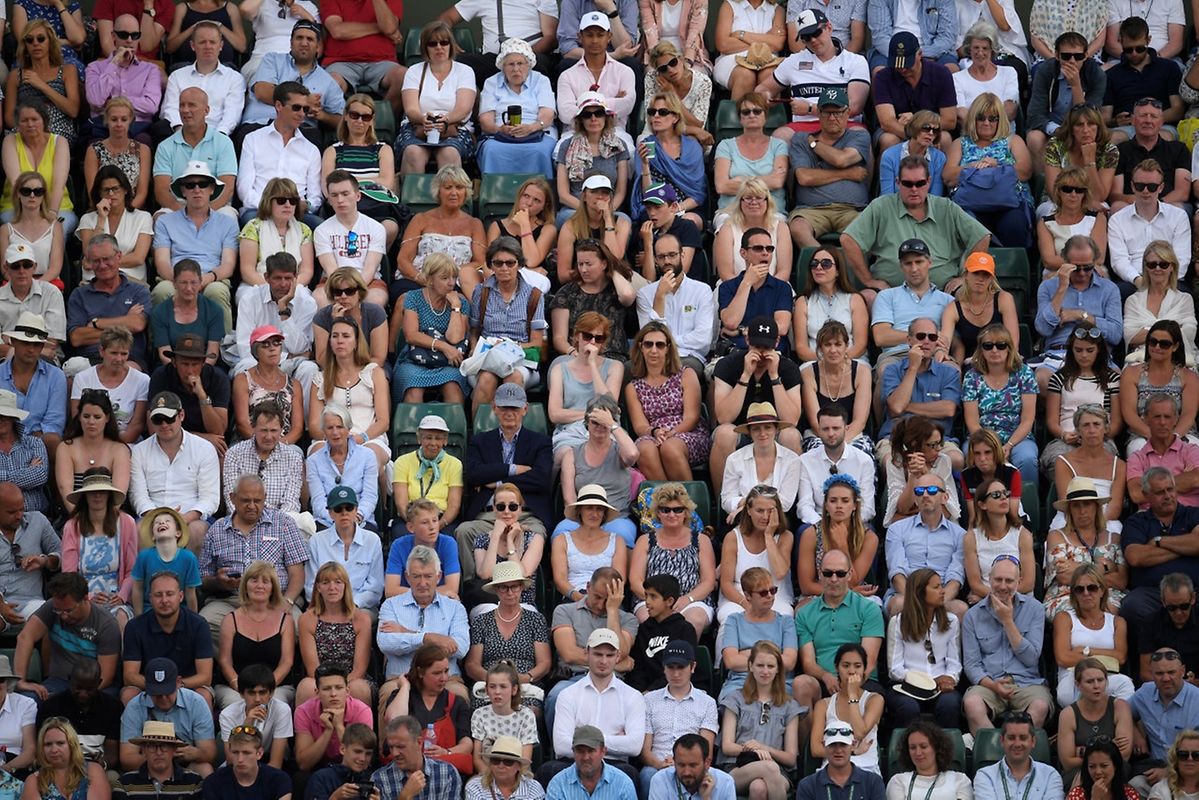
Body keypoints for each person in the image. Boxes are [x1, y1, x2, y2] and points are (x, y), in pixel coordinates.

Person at [198, 476, 307, 640]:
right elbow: (203, 578)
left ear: (265, 498)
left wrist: (288, 601)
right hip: (232, 601)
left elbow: (297, 573)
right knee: (205, 623)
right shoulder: (217, 530)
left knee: (299, 627)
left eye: (257, 500)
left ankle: (286, 665)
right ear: (232, 498)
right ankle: (227, 665)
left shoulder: (284, 523)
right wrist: (219, 582)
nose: (251, 506)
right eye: (245, 500)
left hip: (276, 599)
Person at [542, 631, 644, 788]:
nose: (603, 661)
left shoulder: (632, 696)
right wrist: (612, 740)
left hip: (614, 764)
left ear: (618, 657)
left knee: (630, 774)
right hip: (574, 762)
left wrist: (582, 739)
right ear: (587, 653)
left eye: (609, 655)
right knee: (548, 770)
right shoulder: (568, 695)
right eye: (598, 654)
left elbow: (634, 746)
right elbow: (561, 745)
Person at [962, 556, 1051, 734]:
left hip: (1027, 683)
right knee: (972, 703)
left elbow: (1031, 657)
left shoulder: (1035, 609)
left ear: (1018, 582)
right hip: (990, 684)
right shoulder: (972, 615)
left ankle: (1019, 754)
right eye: (998, 580)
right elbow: (972, 665)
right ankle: (995, 752)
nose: (1003, 586)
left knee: (1040, 706)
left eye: (1009, 581)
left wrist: (1007, 621)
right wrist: (993, 686)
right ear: (989, 579)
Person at [151, 161, 239, 334]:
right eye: (190, 185)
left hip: (212, 278)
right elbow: (161, 262)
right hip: (174, 278)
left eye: (203, 184)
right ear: (183, 191)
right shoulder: (165, 222)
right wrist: (183, 282)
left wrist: (205, 279)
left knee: (217, 292)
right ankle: (159, 347)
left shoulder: (227, 223)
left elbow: (228, 264)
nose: (197, 190)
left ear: (212, 189)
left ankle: (224, 350)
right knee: (162, 291)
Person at [459, 384, 553, 541]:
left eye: (515, 408)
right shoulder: (479, 441)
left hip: (526, 514)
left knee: (535, 535)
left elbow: (540, 478)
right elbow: (475, 474)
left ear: (525, 409)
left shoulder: (541, 442)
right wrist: (513, 469)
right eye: (504, 408)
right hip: (488, 515)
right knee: (464, 531)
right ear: (494, 407)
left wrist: (497, 483)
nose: (509, 413)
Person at [793, 547, 884, 708]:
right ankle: (810, 734)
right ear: (820, 575)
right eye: (828, 573)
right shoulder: (805, 613)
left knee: (874, 698)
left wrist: (849, 685)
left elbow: (868, 662)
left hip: (861, 680)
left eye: (840, 573)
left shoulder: (869, 609)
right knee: (801, 683)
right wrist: (826, 676)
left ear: (849, 575)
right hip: (823, 680)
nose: (834, 579)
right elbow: (808, 663)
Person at [943, 92, 1033, 249]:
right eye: (981, 118)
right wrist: (975, 166)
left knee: (1014, 224)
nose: (986, 123)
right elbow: (948, 177)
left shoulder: (1013, 141)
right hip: (969, 204)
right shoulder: (960, 143)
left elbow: (1025, 172)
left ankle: (1012, 270)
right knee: (967, 222)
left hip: (1010, 204)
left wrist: (996, 165)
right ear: (973, 119)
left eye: (992, 118)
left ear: (1000, 120)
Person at [785, 87, 871, 249]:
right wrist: (848, 174)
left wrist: (814, 144)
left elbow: (841, 159)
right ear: (818, 114)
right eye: (826, 112)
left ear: (848, 113)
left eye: (838, 112)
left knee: (866, 229)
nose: (832, 118)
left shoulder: (859, 136)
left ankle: (848, 272)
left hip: (852, 210)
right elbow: (804, 177)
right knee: (798, 228)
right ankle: (824, 263)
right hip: (810, 210)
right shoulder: (800, 139)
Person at [309, 315, 390, 486]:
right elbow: (315, 426)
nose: (340, 341)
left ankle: (373, 510)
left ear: (356, 342)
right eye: (335, 336)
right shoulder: (320, 379)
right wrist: (335, 438)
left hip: (369, 438)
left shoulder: (373, 373)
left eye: (346, 336)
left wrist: (361, 438)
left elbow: (383, 421)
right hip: (329, 438)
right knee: (316, 460)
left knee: (369, 460)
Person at [628, 483, 717, 636]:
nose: (672, 514)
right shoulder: (645, 540)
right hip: (651, 600)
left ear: (686, 512)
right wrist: (657, 601)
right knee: (647, 618)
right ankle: (654, 660)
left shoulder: (701, 540)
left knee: (692, 621)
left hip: (693, 600)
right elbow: (635, 581)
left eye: (678, 509)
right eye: (665, 510)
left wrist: (687, 599)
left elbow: (708, 581)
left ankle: (684, 660)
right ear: (658, 513)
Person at [13, 572, 118, 698]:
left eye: (68, 610)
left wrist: (72, 698)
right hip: (58, 682)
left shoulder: (106, 624)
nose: (63, 615)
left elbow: (106, 677)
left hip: (91, 687)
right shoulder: (51, 607)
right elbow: (25, 637)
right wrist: (20, 680)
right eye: (58, 610)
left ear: (85, 598)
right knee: (29, 699)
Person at [718, 640, 801, 799]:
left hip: (778, 771)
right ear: (750, 666)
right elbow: (727, 746)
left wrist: (764, 748)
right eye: (760, 665)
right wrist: (753, 750)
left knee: (759, 787)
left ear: (778, 669)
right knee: (768, 769)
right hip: (737, 767)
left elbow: (790, 758)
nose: (765, 671)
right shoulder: (735, 699)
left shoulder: (790, 705)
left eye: (770, 666)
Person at [625, 323, 708, 480]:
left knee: (670, 447)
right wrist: (655, 432)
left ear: (668, 348)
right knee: (643, 448)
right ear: (641, 347)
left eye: (660, 345)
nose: (654, 350)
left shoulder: (686, 374)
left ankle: (687, 502)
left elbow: (692, 417)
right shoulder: (633, 387)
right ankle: (666, 501)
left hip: (687, 432)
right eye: (648, 344)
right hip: (654, 433)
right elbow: (639, 425)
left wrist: (672, 433)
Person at [238, 20, 344, 141]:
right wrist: (305, 102)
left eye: (310, 39)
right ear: (291, 43)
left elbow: (342, 119)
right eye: (299, 38)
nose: (304, 43)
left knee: (313, 137)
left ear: (318, 47)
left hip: (302, 130)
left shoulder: (327, 81)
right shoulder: (272, 60)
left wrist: (322, 115)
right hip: (260, 124)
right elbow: (262, 91)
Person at [320, 94, 400, 253]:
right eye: (354, 115)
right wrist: (370, 181)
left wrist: (346, 181)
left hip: (376, 209)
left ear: (372, 120)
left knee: (389, 228)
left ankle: (373, 268)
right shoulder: (333, 151)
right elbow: (326, 186)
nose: (360, 121)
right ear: (346, 116)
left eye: (366, 117)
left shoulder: (383, 149)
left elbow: (387, 183)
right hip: (341, 209)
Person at [396, 21, 477, 177]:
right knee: (413, 153)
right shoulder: (414, 71)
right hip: (418, 126)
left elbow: (463, 109)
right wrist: (423, 119)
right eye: (433, 44)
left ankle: (451, 200)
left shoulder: (465, 71)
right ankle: (412, 200)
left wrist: (445, 120)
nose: (439, 47)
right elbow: (410, 109)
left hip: (455, 128)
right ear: (425, 48)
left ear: (451, 45)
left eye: (444, 42)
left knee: (450, 154)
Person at [59, 468, 135, 632]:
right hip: (82, 598)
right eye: (92, 492)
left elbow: (132, 571)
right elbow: (69, 574)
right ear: (84, 496)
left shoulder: (127, 522)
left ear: (109, 494)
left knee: (121, 617)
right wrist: (88, 597)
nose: (97, 496)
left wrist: (122, 596)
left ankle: (123, 658)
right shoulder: (72, 526)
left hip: (116, 596)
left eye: (102, 491)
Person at [236, 82, 323, 228]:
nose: (302, 114)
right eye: (296, 108)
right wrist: (271, 207)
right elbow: (244, 189)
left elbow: (316, 197)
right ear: (278, 106)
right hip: (259, 210)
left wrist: (305, 205)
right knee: (250, 221)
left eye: (305, 109)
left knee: (320, 227)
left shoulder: (311, 149)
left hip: (297, 212)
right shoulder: (253, 139)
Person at [1121, 468, 1199, 627]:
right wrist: (1185, 547)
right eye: (1159, 492)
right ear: (1145, 495)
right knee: (1132, 606)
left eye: (1170, 489)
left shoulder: (1194, 514)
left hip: (1194, 591)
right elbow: (1136, 557)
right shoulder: (1136, 522)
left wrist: (1159, 541)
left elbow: (1197, 543)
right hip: (1152, 593)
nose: (1167, 496)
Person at [120, 570, 212, 706]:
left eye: (170, 594)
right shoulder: (135, 627)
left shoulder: (199, 625)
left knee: (203, 695)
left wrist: (175, 685)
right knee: (129, 694)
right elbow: (129, 676)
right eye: (158, 595)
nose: (164, 600)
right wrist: (158, 686)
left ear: (180, 596)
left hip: (185, 685)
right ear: (150, 598)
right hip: (148, 686)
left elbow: (205, 676)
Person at [213, 562, 297, 710]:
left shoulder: (286, 621)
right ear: (245, 585)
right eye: (254, 580)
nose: (259, 586)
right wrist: (242, 688)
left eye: (265, 581)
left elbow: (286, 663)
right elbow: (225, 661)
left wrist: (265, 691)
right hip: (236, 689)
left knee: (276, 705)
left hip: (275, 687)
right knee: (235, 705)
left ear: (273, 588)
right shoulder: (230, 620)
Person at [886, 569, 963, 728]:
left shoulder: (952, 621)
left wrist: (950, 678)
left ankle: (947, 750)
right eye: (936, 587)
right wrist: (926, 681)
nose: (942, 591)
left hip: (942, 688)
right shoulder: (898, 622)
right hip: (907, 687)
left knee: (950, 704)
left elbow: (954, 663)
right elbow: (894, 668)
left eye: (941, 586)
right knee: (907, 708)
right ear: (920, 592)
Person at [390, 254, 470, 404]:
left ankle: (454, 427)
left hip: (448, 362)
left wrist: (456, 308)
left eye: (454, 277)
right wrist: (444, 347)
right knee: (413, 391)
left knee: (453, 389)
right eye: (445, 278)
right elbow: (411, 335)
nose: (451, 283)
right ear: (431, 279)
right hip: (415, 360)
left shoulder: (461, 302)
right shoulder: (413, 298)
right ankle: (411, 427)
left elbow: (455, 338)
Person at [884, 473, 967, 616]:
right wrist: (915, 601)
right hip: (906, 594)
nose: (926, 495)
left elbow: (955, 578)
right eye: (920, 491)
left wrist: (937, 601)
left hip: (942, 595)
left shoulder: (960, 535)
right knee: (899, 604)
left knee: (961, 609)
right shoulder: (896, 529)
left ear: (945, 497)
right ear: (915, 499)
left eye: (933, 490)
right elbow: (897, 574)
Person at [1044, 477, 1128, 619]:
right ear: (1069, 510)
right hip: (1067, 596)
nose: (1082, 511)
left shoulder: (1114, 538)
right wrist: (1104, 568)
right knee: (1073, 613)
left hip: (1108, 596)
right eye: (1076, 505)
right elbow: (1063, 577)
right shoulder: (1056, 536)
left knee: (1113, 610)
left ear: (1096, 507)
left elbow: (1121, 581)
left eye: (1087, 504)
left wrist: (1076, 568)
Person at [1053, 564, 1135, 706]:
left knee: (1125, 684)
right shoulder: (1064, 618)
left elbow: (1121, 657)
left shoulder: (1117, 622)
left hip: (1107, 677)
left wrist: (1086, 650)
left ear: (1102, 590)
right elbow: (1063, 658)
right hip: (1074, 679)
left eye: (1092, 588)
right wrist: (1107, 657)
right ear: (1074, 594)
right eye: (1080, 589)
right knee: (1064, 695)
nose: (1086, 593)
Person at [475, 38, 557, 178]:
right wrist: (500, 129)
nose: (516, 69)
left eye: (520, 63)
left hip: (537, 132)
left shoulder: (541, 80)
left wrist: (531, 127)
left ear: (529, 64)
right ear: (503, 66)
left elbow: (547, 114)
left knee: (542, 150)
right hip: (500, 135)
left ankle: (543, 195)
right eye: (510, 64)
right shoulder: (492, 82)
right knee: (491, 150)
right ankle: (496, 195)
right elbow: (485, 120)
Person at [119, 657, 215, 775]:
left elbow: (209, 752)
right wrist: (159, 757)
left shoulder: (196, 702)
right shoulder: (135, 706)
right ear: (146, 686)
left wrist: (195, 753)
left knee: (205, 769)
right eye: (157, 693)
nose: (163, 698)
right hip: (147, 767)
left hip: (185, 764)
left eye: (168, 691)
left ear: (179, 682)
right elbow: (127, 758)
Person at [150, 88, 238, 216]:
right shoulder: (165, 146)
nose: (185, 110)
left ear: (206, 110)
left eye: (191, 105)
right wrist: (185, 213)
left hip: (215, 206)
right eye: (182, 105)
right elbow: (161, 191)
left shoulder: (223, 143)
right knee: (161, 218)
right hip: (178, 206)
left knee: (228, 216)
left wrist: (205, 213)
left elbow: (227, 189)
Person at [388, 644, 472, 776]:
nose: (444, 678)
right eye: (437, 673)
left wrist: (447, 752)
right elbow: (394, 721)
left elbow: (467, 744)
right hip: (406, 772)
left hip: (444, 774)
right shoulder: (401, 697)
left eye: (446, 671)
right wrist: (405, 686)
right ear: (420, 672)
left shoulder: (457, 702)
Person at [1108, 163, 1191, 295]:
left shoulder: (1178, 216)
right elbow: (1119, 261)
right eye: (1140, 186)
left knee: (1186, 294)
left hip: (1170, 280)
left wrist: (1163, 281)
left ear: (1161, 187)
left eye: (1152, 187)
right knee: (1118, 292)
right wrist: (1138, 280)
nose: (1145, 191)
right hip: (1133, 281)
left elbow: (1182, 258)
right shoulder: (1117, 220)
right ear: (1132, 186)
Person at [795, 472, 879, 604]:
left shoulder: (869, 537)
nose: (839, 505)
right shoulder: (810, 534)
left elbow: (853, 580)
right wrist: (846, 592)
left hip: (855, 595)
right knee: (802, 609)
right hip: (819, 594)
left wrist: (842, 545)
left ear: (854, 505)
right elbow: (806, 586)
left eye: (845, 501)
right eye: (833, 501)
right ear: (826, 506)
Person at [717, 494, 795, 630]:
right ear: (748, 510)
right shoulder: (733, 537)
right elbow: (726, 584)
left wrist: (768, 536)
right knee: (731, 619)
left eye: (770, 511)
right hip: (739, 596)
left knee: (782, 619)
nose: (765, 517)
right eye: (759, 511)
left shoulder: (785, 536)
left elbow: (781, 572)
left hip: (775, 594)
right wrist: (748, 606)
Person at [1026, 32, 1106, 162]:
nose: (1072, 61)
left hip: (1083, 128)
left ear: (1086, 56)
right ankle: (1045, 180)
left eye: (1078, 56)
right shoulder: (1045, 71)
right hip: (1052, 127)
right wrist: (1059, 130)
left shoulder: (1096, 74)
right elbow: (1035, 115)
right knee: (1035, 138)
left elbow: (1090, 117)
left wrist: (1076, 87)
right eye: (1066, 56)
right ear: (1057, 55)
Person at [630, 93, 707, 227]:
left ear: (675, 117)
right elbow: (648, 194)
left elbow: (698, 193)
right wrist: (645, 165)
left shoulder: (692, 147)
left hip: (686, 207)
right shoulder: (646, 146)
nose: (656, 116)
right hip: (654, 208)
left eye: (663, 112)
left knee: (688, 222)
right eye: (652, 112)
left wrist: (677, 208)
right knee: (654, 221)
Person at [314, 174, 389, 310]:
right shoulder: (321, 230)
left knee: (374, 301)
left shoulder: (376, 228)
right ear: (329, 200)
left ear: (358, 196)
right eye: (334, 195)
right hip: (333, 281)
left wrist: (353, 291)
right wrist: (343, 291)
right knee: (319, 299)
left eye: (345, 193)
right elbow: (331, 270)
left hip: (368, 281)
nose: (340, 200)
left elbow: (370, 268)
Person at [1057, 658, 1135, 787]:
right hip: (1080, 771)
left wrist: (1082, 751)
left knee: (1123, 770)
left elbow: (1124, 755)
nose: (1096, 686)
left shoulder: (1120, 707)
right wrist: (1109, 746)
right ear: (1078, 684)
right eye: (1089, 681)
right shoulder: (1068, 714)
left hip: (1114, 770)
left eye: (1100, 680)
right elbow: (1067, 762)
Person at [0, 103, 73, 241]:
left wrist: (51, 214)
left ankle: (55, 264)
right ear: (17, 123)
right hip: (16, 208)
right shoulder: (10, 141)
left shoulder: (60, 142)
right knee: (22, 234)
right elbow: (17, 183)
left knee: (54, 233)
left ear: (44, 120)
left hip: (57, 206)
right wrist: (31, 219)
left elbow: (59, 184)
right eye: (24, 120)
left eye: (34, 119)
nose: (30, 124)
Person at [305, 488, 385, 614]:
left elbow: (375, 587)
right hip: (324, 608)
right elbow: (311, 586)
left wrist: (352, 604)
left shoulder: (372, 540)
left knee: (360, 621)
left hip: (361, 608)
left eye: (349, 508)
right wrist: (332, 607)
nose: (344, 513)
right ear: (330, 513)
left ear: (356, 510)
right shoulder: (316, 541)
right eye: (338, 509)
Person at [808, 643, 883, 776]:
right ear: (837, 668)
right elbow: (815, 748)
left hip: (866, 770)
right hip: (831, 770)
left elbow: (859, 732)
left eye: (858, 666)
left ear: (865, 669)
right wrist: (852, 751)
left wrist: (853, 695)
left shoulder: (874, 700)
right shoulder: (823, 705)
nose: (852, 671)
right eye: (846, 665)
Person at [83, 18, 162, 142]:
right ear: (113, 36)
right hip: (103, 126)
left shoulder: (150, 70)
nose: (129, 40)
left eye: (135, 35)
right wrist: (114, 63)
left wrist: (114, 101)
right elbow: (96, 100)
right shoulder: (95, 67)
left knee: (144, 140)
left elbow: (151, 106)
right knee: (94, 142)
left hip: (138, 127)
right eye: (123, 35)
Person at [1102, 19, 1184, 139]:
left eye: (1140, 49)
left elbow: (1178, 109)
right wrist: (1116, 121)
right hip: (1126, 129)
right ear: (1120, 42)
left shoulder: (1169, 67)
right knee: (1113, 139)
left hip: (1162, 126)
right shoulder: (1112, 74)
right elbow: (1105, 117)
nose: (1134, 53)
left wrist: (1148, 119)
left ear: (1148, 40)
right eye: (1128, 50)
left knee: (1163, 138)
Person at [158, 23, 245, 137]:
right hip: (180, 133)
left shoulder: (234, 78)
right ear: (193, 45)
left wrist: (217, 138)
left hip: (218, 135)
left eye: (212, 42)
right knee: (158, 129)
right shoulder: (176, 76)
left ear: (221, 45)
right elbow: (169, 108)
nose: (208, 46)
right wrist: (181, 132)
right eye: (202, 42)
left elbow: (232, 114)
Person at [3, 20, 81, 147]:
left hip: (58, 130)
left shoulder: (67, 69)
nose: (35, 43)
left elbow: (73, 110)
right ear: (25, 46)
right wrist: (31, 125)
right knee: (10, 142)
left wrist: (42, 85)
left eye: (41, 39)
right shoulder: (15, 76)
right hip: (25, 129)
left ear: (50, 42)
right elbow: (10, 119)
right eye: (29, 40)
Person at [470, 484, 546, 612]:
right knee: (488, 612)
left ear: (520, 509)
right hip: (490, 602)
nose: (506, 511)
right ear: (494, 509)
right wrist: (495, 537)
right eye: (501, 507)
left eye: (512, 506)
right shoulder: (482, 539)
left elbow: (521, 574)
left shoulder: (534, 538)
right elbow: (485, 574)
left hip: (523, 602)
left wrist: (510, 540)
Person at [555, 13, 638, 130]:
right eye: (589, 35)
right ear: (580, 37)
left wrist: (581, 103)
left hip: (614, 133)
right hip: (575, 133)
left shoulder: (624, 72)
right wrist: (610, 102)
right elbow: (565, 114)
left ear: (609, 37)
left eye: (600, 35)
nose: (595, 40)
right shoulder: (567, 75)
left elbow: (627, 105)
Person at [0, 312, 65, 457]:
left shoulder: (56, 376)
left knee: (52, 439)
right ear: (13, 341)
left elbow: (54, 423)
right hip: (2, 439)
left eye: (36, 345)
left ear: (42, 347)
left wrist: (29, 440)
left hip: (41, 442)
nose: (31, 349)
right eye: (26, 343)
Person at [717, 230, 793, 352]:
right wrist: (747, 283)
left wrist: (742, 330)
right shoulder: (727, 287)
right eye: (758, 248)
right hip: (736, 351)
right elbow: (731, 322)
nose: (765, 253)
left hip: (772, 350)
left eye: (769, 249)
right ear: (743, 253)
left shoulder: (782, 287)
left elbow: (782, 327)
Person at [229, 325, 306, 446]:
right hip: (249, 442)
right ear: (255, 351)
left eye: (276, 343)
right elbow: (242, 423)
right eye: (265, 344)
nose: (272, 348)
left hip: (284, 445)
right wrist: (263, 444)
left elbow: (297, 428)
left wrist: (278, 446)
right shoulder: (243, 379)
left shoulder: (294, 384)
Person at [77, 165, 153, 285]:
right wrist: (101, 219)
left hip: (131, 280)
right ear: (99, 193)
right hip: (94, 281)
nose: (111, 194)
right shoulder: (88, 219)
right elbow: (89, 254)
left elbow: (138, 258)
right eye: (106, 190)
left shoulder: (143, 217)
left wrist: (98, 263)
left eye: (116, 189)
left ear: (125, 190)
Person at [963, 478, 1036, 602]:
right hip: (986, 601)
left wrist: (1000, 598)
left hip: (1019, 600)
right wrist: (992, 599)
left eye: (1005, 493)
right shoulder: (971, 538)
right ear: (982, 505)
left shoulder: (1022, 534)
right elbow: (975, 584)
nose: (1003, 498)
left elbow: (1028, 583)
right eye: (996, 495)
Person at [1109, 98, 1190, 210]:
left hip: (1169, 205)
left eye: (1153, 116)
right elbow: (1115, 194)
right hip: (1131, 206)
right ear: (1133, 120)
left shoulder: (1178, 149)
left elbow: (1182, 192)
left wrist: (1155, 205)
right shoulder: (1120, 151)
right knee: (1117, 206)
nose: (1148, 120)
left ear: (1161, 122)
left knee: (1178, 207)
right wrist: (1140, 203)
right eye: (1143, 115)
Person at [1124, 242, 1196, 366]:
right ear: (1145, 267)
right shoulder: (1133, 301)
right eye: (1152, 264)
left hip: (1178, 359)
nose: (1157, 269)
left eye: (1163, 264)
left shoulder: (1184, 299)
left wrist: (1147, 331)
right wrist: (1171, 330)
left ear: (1172, 267)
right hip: (1139, 362)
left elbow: (1189, 333)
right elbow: (1131, 338)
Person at [293, 663, 373, 773]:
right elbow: (304, 764)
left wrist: (339, 725)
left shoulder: (362, 710)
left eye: (339, 688)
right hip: (318, 768)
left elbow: (362, 760)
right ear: (317, 692)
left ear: (347, 691)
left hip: (351, 769)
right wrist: (328, 730)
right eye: (326, 689)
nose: (333, 694)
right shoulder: (303, 711)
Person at [624, 574, 697, 693]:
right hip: (643, 693)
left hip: (675, 691)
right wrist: (637, 693)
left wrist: (652, 691)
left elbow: (682, 669)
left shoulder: (684, 629)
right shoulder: (644, 629)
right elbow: (638, 668)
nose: (647, 601)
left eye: (653, 597)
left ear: (669, 601)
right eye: (646, 595)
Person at [714, 93, 788, 210]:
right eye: (746, 112)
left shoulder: (779, 145)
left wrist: (739, 180)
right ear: (740, 118)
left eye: (757, 111)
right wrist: (766, 180)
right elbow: (722, 187)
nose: (752, 115)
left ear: (766, 116)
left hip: (771, 212)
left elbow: (777, 182)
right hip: (731, 212)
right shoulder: (725, 146)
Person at [1127, 396, 1199, 509]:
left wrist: (1151, 487)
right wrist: (1183, 479)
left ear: (1175, 419)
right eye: (1157, 417)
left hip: (1189, 517)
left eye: (1167, 417)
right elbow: (1136, 494)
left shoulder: (1191, 450)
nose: (1162, 422)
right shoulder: (1137, 458)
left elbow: (1196, 479)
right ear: (1145, 419)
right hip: (1152, 520)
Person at [972, 713, 1065, 800]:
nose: (1017, 744)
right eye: (1011, 738)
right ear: (1002, 741)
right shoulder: (985, 776)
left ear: (1033, 741)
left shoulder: (1050, 775)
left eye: (1023, 738)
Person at [148, 262, 223, 368]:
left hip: (205, 368)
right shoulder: (160, 312)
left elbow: (213, 353)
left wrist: (197, 372)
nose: (188, 288)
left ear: (200, 282)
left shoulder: (214, 310)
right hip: (171, 368)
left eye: (193, 283)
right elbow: (164, 353)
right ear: (174, 283)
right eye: (183, 282)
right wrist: (183, 374)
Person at [216, 665, 293, 765]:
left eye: (262, 692)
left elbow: (276, 762)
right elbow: (232, 760)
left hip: (268, 761)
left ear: (272, 693)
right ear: (241, 694)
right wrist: (247, 725)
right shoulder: (228, 714)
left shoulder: (282, 710)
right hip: (239, 765)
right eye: (251, 693)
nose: (257, 699)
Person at [0, 242, 64, 362]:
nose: (21, 270)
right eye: (15, 266)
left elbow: (51, 342)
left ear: (35, 267)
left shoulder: (51, 293)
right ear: (6, 268)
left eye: (27, 265)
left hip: (44, 360)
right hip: (4, 361)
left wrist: (9, 340)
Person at [371, 716, 462, 800]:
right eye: (391, 747)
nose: (394, 753)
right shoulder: (380, 780)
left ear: (419, 742)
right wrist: (404, 796)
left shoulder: (447, 773)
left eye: (401, 747)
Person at [486, 177, 556, 282]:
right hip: (500, 279)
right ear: (519, 197)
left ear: (544, 206)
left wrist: (524, 225)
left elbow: (531, 261)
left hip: (531, 283)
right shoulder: (497, 226)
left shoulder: (548, 229)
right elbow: (491, 261)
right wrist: (529, 271)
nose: (529, 203)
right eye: (526, 196)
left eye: (536, 200)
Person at [130, 509, 200, 614]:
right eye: (157, 522)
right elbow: (137, 589)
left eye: (167, 521)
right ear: (153, 535)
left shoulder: (188, 558)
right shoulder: (144, 556)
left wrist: (193, 622)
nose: (162, 523)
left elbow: (190, 594)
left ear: (178, 533)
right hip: (150, 611)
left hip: (180, 613)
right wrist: (138, 618)